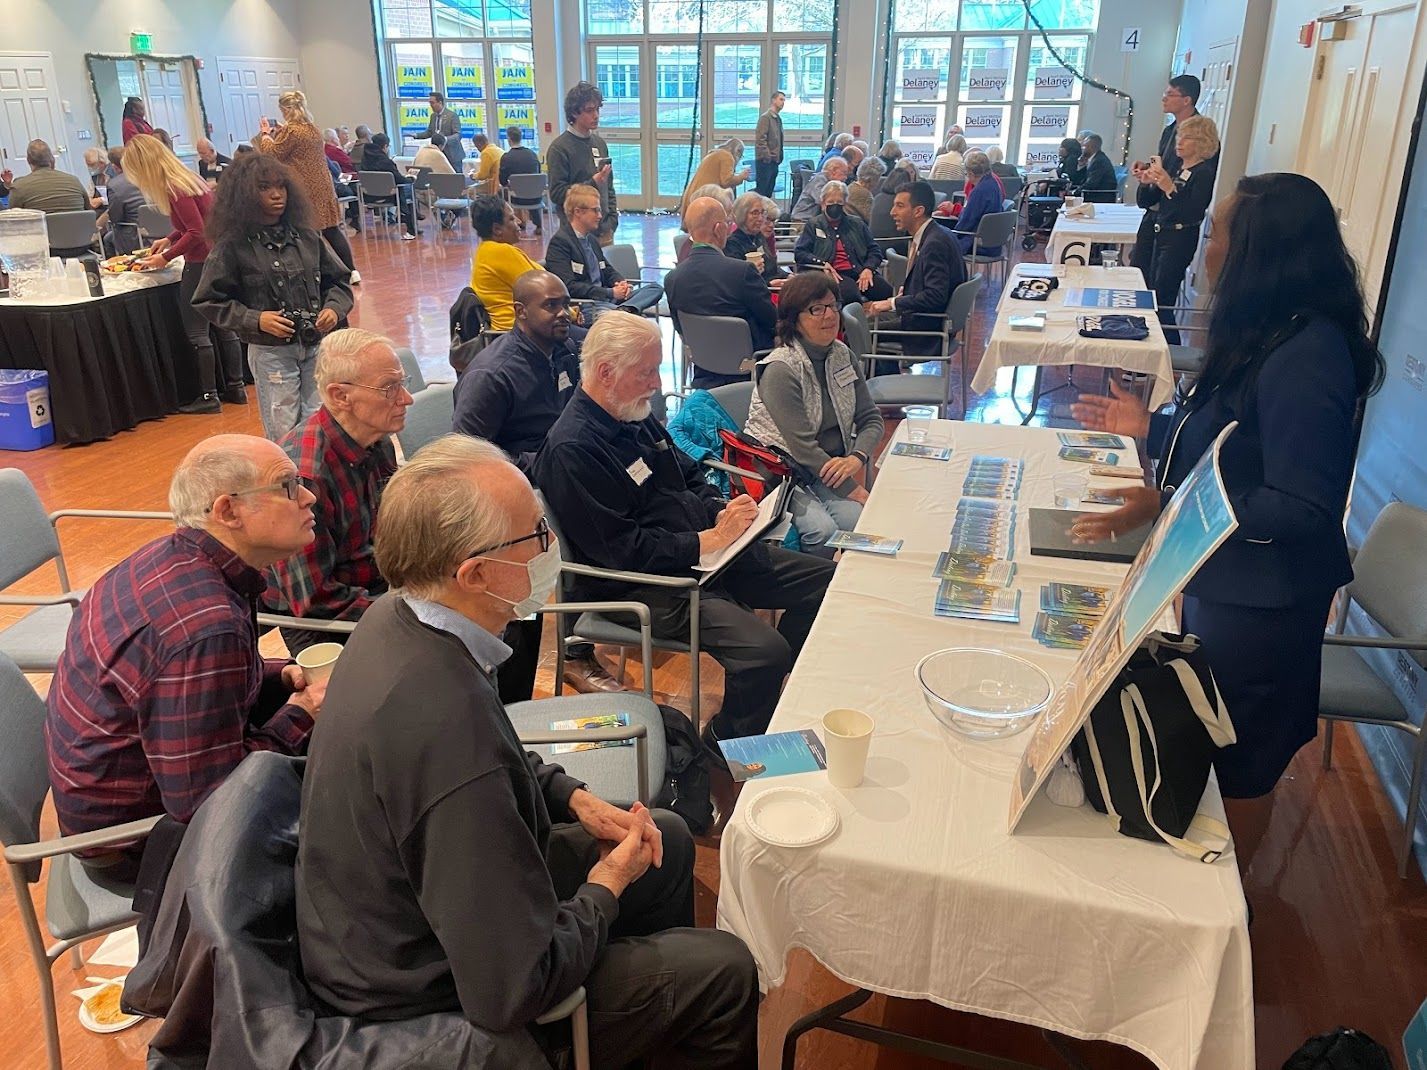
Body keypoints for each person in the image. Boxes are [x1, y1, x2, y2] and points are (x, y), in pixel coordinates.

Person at [295, 433, 759, 1064]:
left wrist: (572, 795)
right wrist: (604, 885)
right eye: (536, 537)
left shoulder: (402, 619)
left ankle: (642, 1034)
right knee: (725, 969)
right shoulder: (443, 728)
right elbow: (512, 988)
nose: (552, 550)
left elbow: (497, 742)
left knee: (668, 840)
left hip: (421, 911)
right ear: (474, 573)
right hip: (428, 992)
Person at [1067, 171, 1385, 872]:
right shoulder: (1267, 331)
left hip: (1266, 605)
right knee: (1214, 739)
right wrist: (1149, 430)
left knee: (1239, 759)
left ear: (1256, 250)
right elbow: (1230, 446)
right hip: (1227, 582)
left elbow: (1301, 503)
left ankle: (1233, 905)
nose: (1204, 245)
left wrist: (1169, 501)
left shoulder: (1309, 354)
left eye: (1215, 232)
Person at [535, 314, 836, 744]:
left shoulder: (632, 413)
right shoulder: (573, 450)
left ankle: (769, 690)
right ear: (606, 373)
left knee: (828, 583)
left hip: (706, 556)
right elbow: (623, 552)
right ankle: (727, 743)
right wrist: (706, 541)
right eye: (647, 371)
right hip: (643, 586)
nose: (657, 383)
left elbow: (688, 472)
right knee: (763, 651)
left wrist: (720, 509)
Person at [46, 434, 324, 879]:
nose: (309, 496)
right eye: (288, 486)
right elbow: (207, 802)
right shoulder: (206, 626)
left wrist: (280, 676)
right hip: (137, 843)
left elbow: (190, 687)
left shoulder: (174, 560)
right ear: (227, 511)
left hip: (131, 795)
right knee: (359, 820)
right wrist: (303, 712)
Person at [453, 270, 622, 696]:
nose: (563, 313)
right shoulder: (492, 375)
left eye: (566, 302)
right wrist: (539, 463)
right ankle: (576, 649)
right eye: (551, 305)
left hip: (567, 466)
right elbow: (467, 453)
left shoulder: (564, 350)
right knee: (589, 526)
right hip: (519, 488)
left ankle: (605, 620)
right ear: (520, 312)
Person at [265, 329, 411, 653]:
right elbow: (315, 598)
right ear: (340, 396)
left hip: (372, 587)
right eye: (390, 388)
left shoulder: (377, 440)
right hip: (321, 621)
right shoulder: (304, 478)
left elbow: (390, 530)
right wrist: (412, 614)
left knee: (503, 620)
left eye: (403, 383)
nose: (406, 399)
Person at [194, 152, 354, 438]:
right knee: (284, 433)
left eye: (281, 187)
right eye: (265, 188)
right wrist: (256, 319)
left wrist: (333, 309)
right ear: (244, 195)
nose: (276, 195)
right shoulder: (232, 245)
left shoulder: (307, 236)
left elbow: (340, 281)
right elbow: (208, 299)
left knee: (322, 425)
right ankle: (291, 482)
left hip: (316, 345)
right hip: (271, 352)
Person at [745, 272, 883, 556]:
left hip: (824, 469)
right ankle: (810, 596)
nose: (829, 316)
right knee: (823, 530)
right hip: (782, 471)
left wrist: (856, 458)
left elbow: (871, 418)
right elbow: (802, 447)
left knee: (856, 519)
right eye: (816, 309)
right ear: (794, 319)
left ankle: (838, 588)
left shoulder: (842, 355)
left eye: (833, 306)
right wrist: (851, 489)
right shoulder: (781, 370)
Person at [122, 135, 247, 412]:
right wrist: (168, 239)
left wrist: (164, 257)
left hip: (200, 262)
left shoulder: (173, 187)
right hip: (219, 258)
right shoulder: (190, 179)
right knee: (224, 325)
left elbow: (196, 232)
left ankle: (208, 396)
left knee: (197, 330)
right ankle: (236, 387)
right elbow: (198, 223)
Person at [664, 196, 777, 387]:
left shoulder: (672, 279)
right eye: (727, 222)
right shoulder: (742, 271)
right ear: (719, 229)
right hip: (749, 370)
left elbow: (681, 329)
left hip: (703, 369)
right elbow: (771, 320)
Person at [863, 180, 967, 358]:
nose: (892, 212)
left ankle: (877, 383)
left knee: (856, 330)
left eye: (899, 206)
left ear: (918, 211)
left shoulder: (934, 244)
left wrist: (892, 303)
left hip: (925, 328)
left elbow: (935, 296)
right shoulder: (938, 234)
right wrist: (903, 296)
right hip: (928, 319)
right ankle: (887, 379)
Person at [254, 90, 357, 269]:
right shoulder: (312, 129)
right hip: (323, 186)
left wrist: (265, 135)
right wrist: (281, 131)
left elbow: (273, 153)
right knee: (331, 230)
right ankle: (351, 270)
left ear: (285, 109)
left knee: (305, 232)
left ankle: (314, 271)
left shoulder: (292, 131)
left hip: (305, 188)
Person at [1142, 114, 1220, 342]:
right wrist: (1148, 183)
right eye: (1179, 137)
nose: (1179, 142)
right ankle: (1158, 351)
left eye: (1186, 138)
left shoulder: (1203, 173)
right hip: (1162, 232)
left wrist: (1169, 188)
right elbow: (1148, 201)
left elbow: (1193, 210)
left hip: (1180, 237)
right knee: (1153, 293)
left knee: (1163, 300)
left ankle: (1171, 355)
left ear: (1201, 142)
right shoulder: (1178, 168)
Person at [545, 184, 663, 319]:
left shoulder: (591, 239)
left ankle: (624, 310)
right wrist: (609, 292)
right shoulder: (560, 243)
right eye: (595, 210)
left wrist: (621, 282)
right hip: (586, 305)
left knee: (655, 288)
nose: (600, 216)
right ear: (578, 212)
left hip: (607, 300)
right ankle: (624, 313)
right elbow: (568, 286)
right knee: (633, 321)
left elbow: (606, 269)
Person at [1132, 74, 1204, 271]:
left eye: (1170, 94)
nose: (1164, 98)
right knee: (1137, 270)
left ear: (1187, 100)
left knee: (1161, 286)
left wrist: (1166, 182)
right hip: (1156, 212)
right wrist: (1147, 169)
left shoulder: (1200, 135)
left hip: (1178, 218)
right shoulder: (1170, 130)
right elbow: (1166, 164)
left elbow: (1193, 176)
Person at [793, 180, 893, 306]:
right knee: (850, 295)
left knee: (885, 291)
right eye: (830, 202)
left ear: (845, 203)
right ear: (823, 204)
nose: (835, 206)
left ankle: (877, 322)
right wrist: (822, 263)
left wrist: (869, 268)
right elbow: (800, 253)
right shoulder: (814, 225)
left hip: (859, 270)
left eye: (839, 202)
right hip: (832, 274)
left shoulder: (857, 224)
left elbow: (874, 250)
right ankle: (855, 321)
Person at [548, 81, 617, 240]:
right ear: (574, 113)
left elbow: (609, 187)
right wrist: (592, 183)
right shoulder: (559, 148)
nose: (596, 115)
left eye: (598, 109)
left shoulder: (600, 144)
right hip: (576, 234)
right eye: (589, 110)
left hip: (604, 229)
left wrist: (612, 219)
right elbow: (557, 194)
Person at [470, 194, 542, 332]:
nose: (519, 221)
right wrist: (572, 314)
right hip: (522, 332)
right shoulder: (501, 252)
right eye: (511, 218)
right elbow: (541, 290)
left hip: (521, 328)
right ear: (497, 229)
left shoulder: (486, 250)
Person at [358, 132, 418, 239]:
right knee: (409, 188)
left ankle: (410, 217)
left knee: (404, 190)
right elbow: (400, 180)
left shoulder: (364, 159)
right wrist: (410, 178)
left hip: (369, 196)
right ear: (385, 146)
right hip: (389, 196)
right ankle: (411, 225)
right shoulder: (386, 161)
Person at [7, 140, 87, 217]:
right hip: (77, 230)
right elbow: (88, 211)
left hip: (41, 230)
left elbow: (12, 221)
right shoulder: (74, 181)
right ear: (52, 158)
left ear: (28, 160)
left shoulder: (19, 187)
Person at [725, 191, 787, 286]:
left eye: (762, 213)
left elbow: (772, 267)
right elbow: (736, 283)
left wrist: (787, 276)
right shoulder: (732, 244)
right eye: (755, 213)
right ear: (742, 215)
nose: (760, 218)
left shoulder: (759, 237)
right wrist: (769, 285)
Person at [950, 150, 1004, 255]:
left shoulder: (979, 192)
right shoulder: (993, 183)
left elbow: (965, 224)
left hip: (977, 243)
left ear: (970, 173)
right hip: (994, 242)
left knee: (938, 241)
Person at [681, 138, 750, 215]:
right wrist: (741, 176)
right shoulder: (727, 156)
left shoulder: (714, 154)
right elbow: (726, 181)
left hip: (693, 195)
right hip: (704, 198)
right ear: (738, 152)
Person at [103, 145, 148, 254]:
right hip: (163, 232)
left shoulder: (114, 185)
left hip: (134, 237)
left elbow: (115, 218)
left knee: (107, 238)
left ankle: (116, 267)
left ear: (114, 166)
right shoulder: (149, 175)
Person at [499, 124, 543, 231]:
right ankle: (538, 224)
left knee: (503, 193)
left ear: (509, 139)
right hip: (536, 197)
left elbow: (503, 181)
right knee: (529, 189)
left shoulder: (506, 157)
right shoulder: (532, 154)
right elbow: (538, 174)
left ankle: (516, 222)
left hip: (517, 199)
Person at [790, 155, 850, 222]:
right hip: (802, 222)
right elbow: (823, 201)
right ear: (833, 171)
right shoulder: (819, 180)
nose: (846, 177)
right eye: (844, 173)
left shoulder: (826, 181)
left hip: (814, 221)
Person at [419, 91, 465, 170]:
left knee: (456, 179)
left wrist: (444, 139)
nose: (430, 106)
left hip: (452, 154)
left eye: (432, 103)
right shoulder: (433, 116)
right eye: (429, 103)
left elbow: (458, 135)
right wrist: (416, 135)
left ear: (440, 102)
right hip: (438, 154)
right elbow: (429, 132)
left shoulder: (452, 116)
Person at [754, 90, 785, 197]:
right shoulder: (765, 118)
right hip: (765, 161)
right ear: (773, 100)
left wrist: (779, 157)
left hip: (774, 161)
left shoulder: (778, 119)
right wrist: (767, 157)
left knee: (769, 191)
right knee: (762, 191)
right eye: (781, 99)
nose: (783, 102)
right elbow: (760, 139)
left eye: (784, 100)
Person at [1077, 133, 1117, 197]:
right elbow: (1082, 180)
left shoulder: (1099, 161)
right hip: (1093, 193)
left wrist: (1073, 192)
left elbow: (1091, 184)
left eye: (1084, 146)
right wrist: (1081, 165)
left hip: (1100, 196)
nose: (1082, 149)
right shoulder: (1094, 158)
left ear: (1092, 147)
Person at [848, 157, 885, 222]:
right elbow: (873, 220)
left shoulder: (850, 187)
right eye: (878, 177)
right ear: (871, 180)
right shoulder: (865, 195)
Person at [469, 131, 503, 195]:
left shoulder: (486, 153)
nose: (478, 149)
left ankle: (483, 204)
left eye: (476, 147)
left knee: (469, 191)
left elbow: (483, 175)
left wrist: (473, 176)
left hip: (494, 183)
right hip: (502, 182)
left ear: (478, 144)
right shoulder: (498, 149)